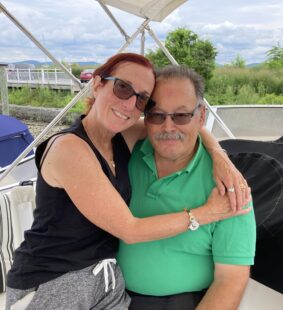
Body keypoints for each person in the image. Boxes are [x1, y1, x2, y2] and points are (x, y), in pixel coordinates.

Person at [6, 53, 250, 310]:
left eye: (142, 99)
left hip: (106, 282)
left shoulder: (123, 137)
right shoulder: (70, 148)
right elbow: (129, 230)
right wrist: (206, 213)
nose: (129, 104)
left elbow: (179, 123)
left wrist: (219, 155)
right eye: (123, 88)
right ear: (98, 84)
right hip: (53, 278)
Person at [117, 65, 256, 310]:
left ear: (201, 117)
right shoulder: (126, 156)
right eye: (157, 115)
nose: (168, 127)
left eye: (181, 116)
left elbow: (231, 279)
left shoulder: (228, 184)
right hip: (112, 296)